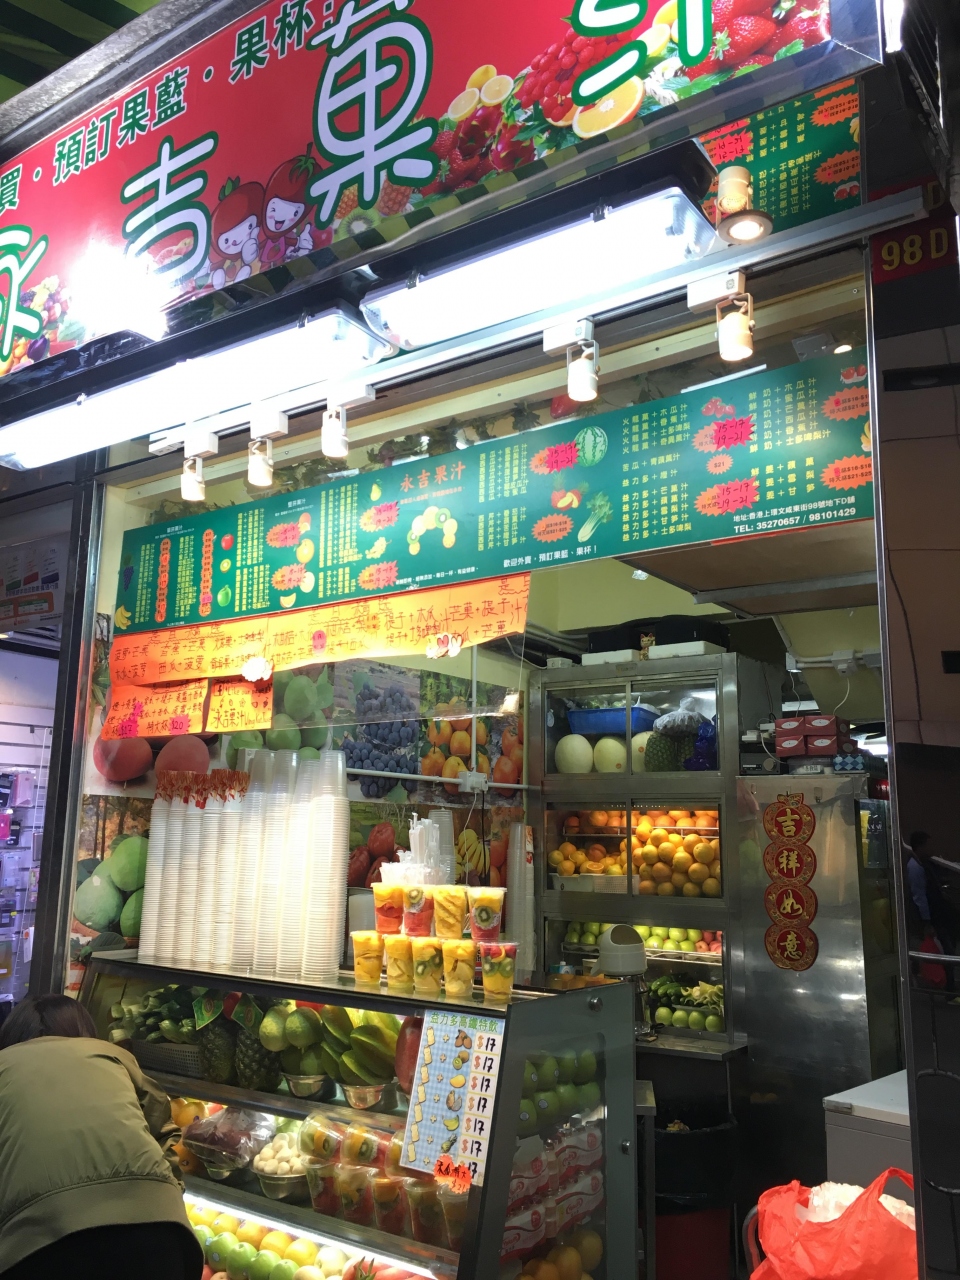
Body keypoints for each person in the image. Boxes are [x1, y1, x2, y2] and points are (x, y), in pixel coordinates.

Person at [0, 994, 203, 1279]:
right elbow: (164, 1129)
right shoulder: (113, 1056)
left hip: (40, 1247)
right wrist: (166, 1197)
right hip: (158, 1237)